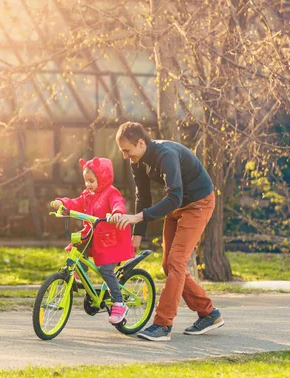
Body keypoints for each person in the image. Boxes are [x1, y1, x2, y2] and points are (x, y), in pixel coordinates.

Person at [112, 121, 224, 341]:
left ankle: (163, 325)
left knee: (176, 262)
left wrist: (138, 217)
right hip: (177, 205)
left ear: (141, 143)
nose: (125, 156)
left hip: (198, 203)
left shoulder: (166, 155)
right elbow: (142, 197)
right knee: (168, 264)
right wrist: (137, 234)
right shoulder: (138, 161)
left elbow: (174, 196)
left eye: (127, 150)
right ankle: (209, 313)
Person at [51, 157, 134, 324]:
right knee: (79, 245)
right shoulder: (87, 195)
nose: (88, 184)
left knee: (106, 271)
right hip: (94, 236)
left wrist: (117, 212)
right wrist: (63, 203)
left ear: (102, 178)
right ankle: (80, 274)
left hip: (112, 241)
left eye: (91, 180)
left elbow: (118, 202)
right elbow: (76, 203)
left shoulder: (111, 192)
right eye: (86, 181)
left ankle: (119, 303)